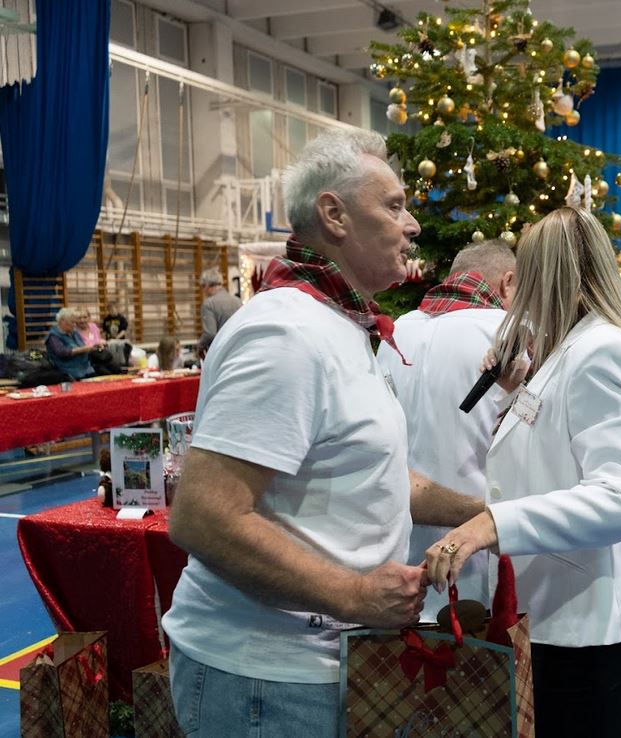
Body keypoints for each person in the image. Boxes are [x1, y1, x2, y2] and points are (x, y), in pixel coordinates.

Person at [162, 128, 485, 737]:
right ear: (334, 215)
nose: (412, 224)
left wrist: (487, 515)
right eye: (394, 206)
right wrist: (353, 595)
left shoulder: (338, 323)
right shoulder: (286, 334)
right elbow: (203, 518)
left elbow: (381, 476)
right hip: (265, 680)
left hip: (317, 668)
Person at [424, 207, 621, 737]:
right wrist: (515, 391)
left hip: (591, 626)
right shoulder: (572, 349)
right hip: (558, 615)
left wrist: (492, 524)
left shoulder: (602, 351)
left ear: (542, 275)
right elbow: (556, 448)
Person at [379, 239, 517, 621]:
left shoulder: (396, 332)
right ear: (507, 283)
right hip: (480, 559)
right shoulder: (511, 334)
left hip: (401, 562)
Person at [45, 307, 101, 380]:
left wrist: (93, 347)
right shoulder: (53, 336)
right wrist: (82, 349)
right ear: (63, 321)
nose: (75, 325)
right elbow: (62, 352)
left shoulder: (74, 332)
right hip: (69, 372)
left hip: (86, 369)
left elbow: (83, 345)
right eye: (72, 322)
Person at [196, 267, 242, 355]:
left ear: (207, 285)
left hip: (222, 352)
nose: (203, 291)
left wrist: (200, 346)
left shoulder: (209, 304)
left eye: (202, 287)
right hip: (239, 349)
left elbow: (210, 334)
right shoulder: (238, 301)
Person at [101, 301, 132, 367]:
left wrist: (116, 338)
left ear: (117, 309)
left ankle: (122, 363)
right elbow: (104, 331)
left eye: (112, 310)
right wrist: (103, 340)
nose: (110, 312)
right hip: (109, 341)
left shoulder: (121, 319)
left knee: (119, 354)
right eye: (109, 310)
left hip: (119, 341)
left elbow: (123, 331)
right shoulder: (106, 319)